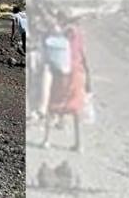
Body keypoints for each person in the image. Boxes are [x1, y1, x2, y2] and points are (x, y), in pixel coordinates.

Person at [42, 12, 91, 152]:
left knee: (53, 106)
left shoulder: (61, 34)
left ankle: (46, 140)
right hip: (77, 74)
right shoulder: (79, 36)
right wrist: (88, 78)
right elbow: (84, 56)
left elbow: (51, 52)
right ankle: (79, 144)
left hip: (62, 74)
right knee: (76, 109)